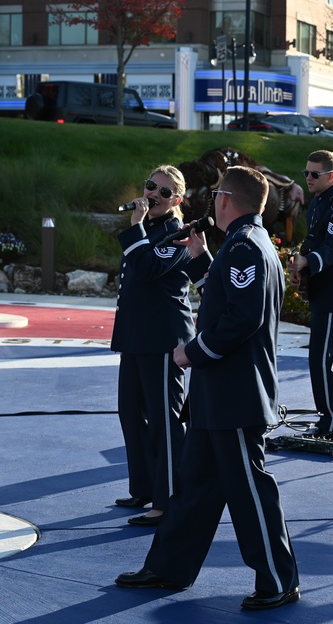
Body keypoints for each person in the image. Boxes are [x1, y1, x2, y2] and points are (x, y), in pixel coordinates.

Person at [116, 166, 300, 611]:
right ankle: (168, 567)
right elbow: (222, 295)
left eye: (216, 194)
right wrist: (200, 257)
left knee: (250, 489)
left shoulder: (245, 246)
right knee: (194, 488)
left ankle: (278, 579)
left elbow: (241, 319)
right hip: (217, 395)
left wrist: (191, 353)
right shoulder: (242, 245)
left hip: (234, 394)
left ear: (225, 200)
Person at [111, 166, 196, 526]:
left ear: (176, 200)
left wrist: (136, 224)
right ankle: (144, 487)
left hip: (163, 338)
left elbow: (146, 268)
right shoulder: (148, 230)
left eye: (163, 192)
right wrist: (140, 225)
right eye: (150, 187)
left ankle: (169, 499)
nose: (153, 196)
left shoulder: (178, 234)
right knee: (129, 412)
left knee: (165, 420)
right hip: (136, 335)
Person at [287, 150, 333, 441]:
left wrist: (309, 262)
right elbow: (313, 241)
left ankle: (332, 422)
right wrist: (299, 262)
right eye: (305, 173)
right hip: (325, 290)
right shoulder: (319, 203)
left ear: (331, 176)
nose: (307, 178)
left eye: (314, 174)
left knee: (321, 357)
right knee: (332, 354)